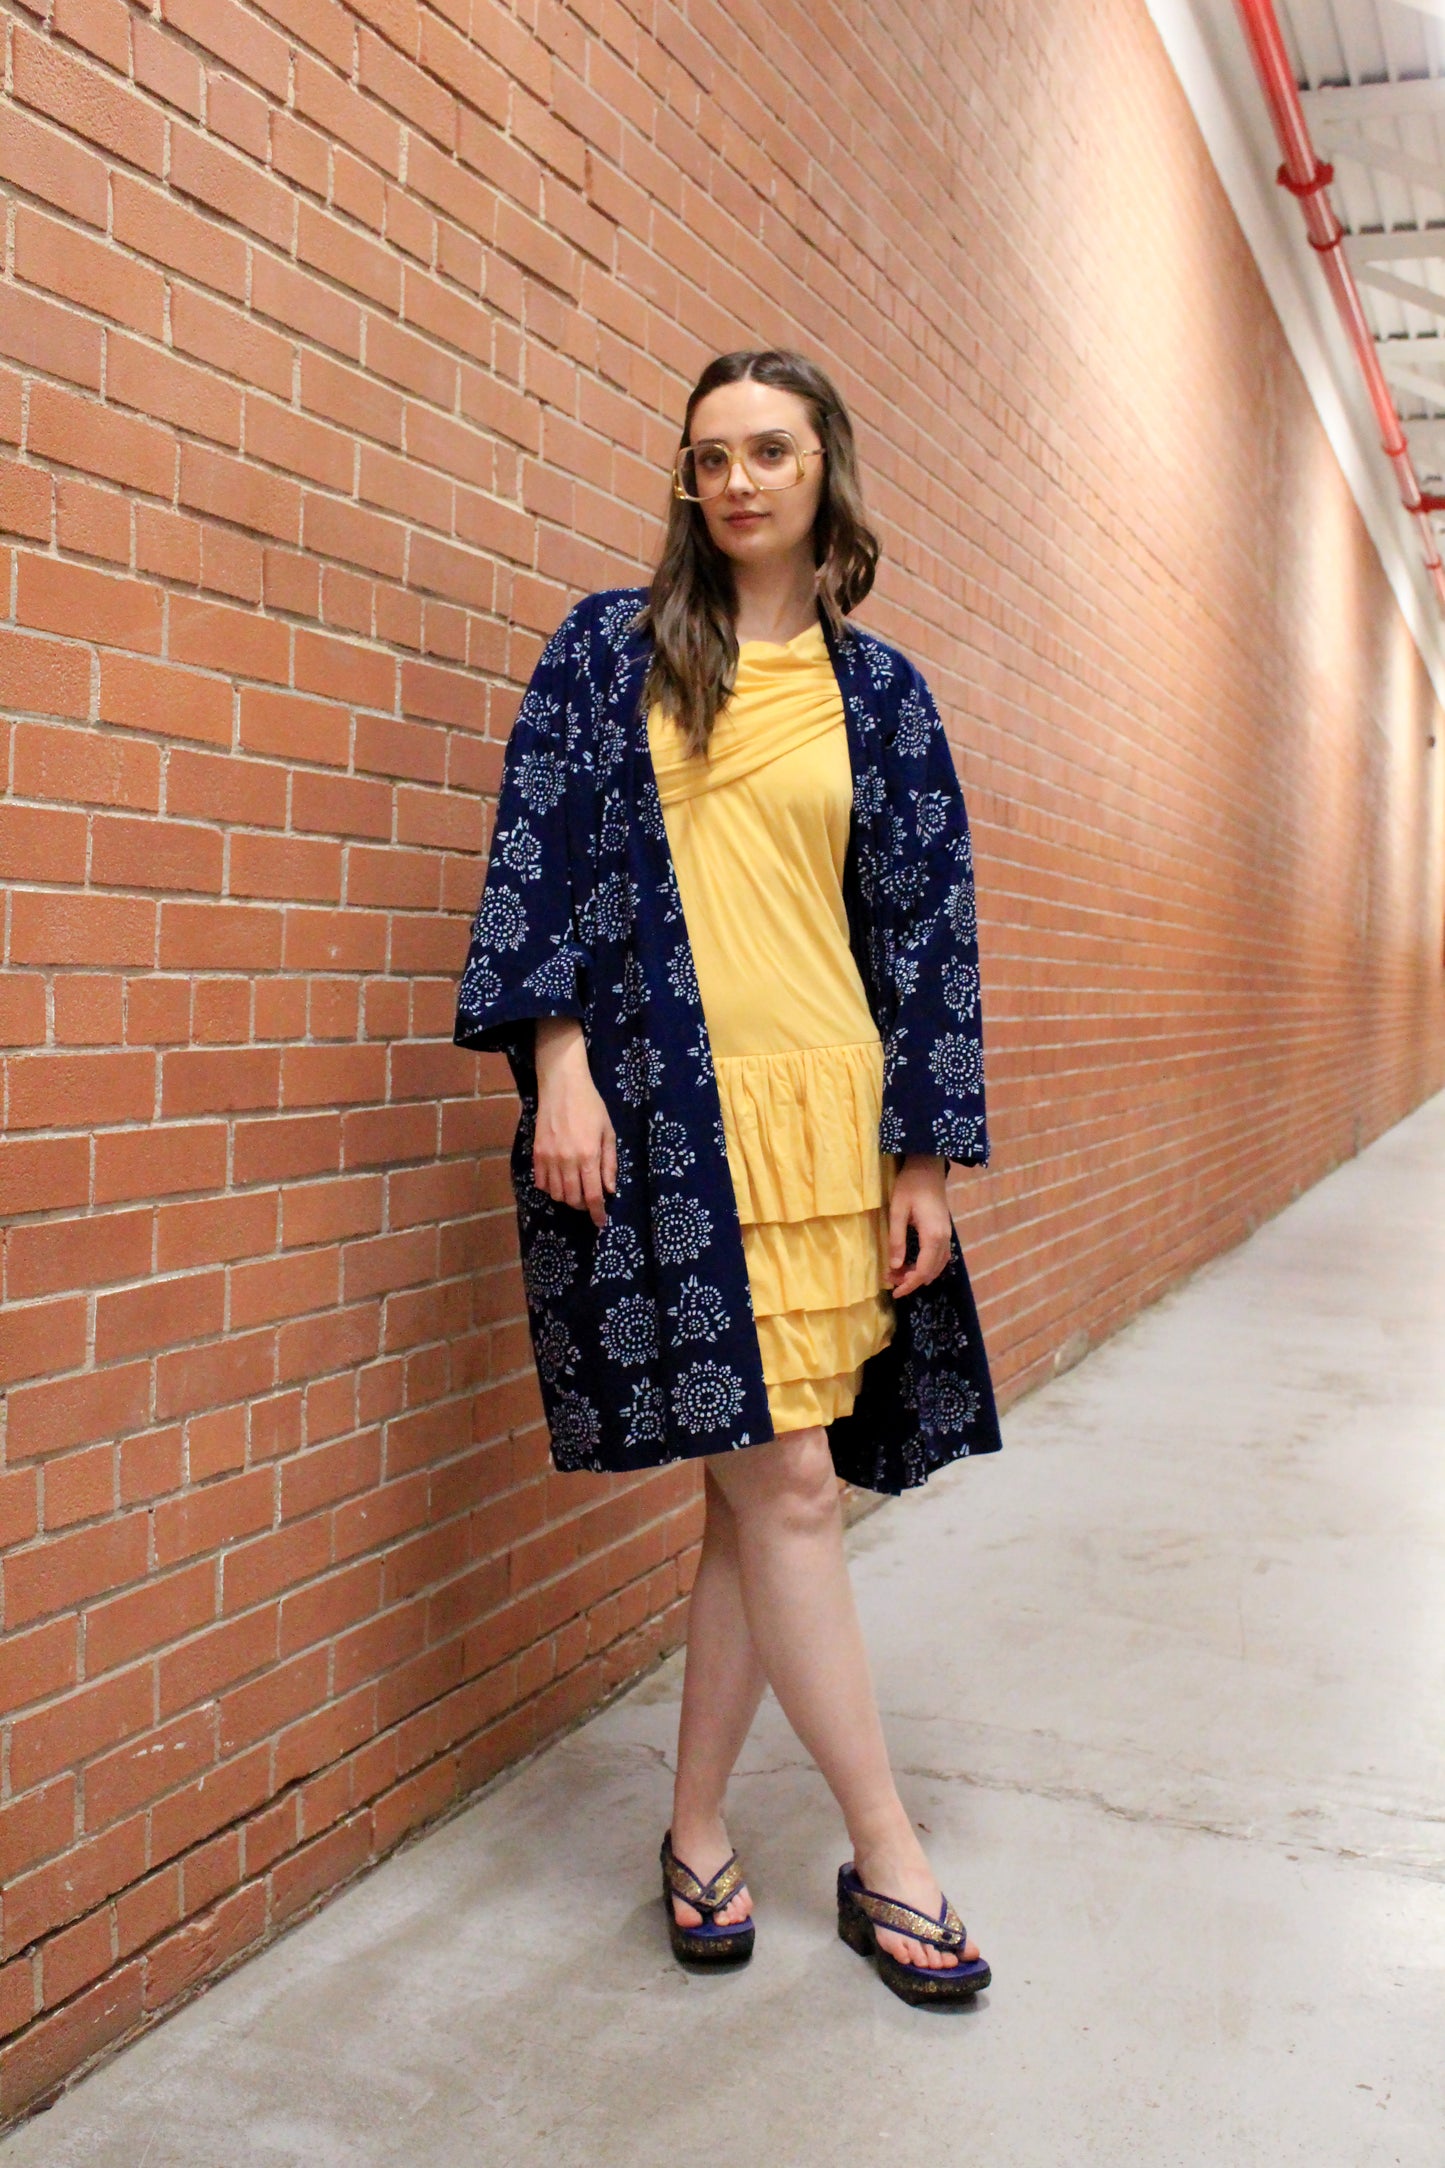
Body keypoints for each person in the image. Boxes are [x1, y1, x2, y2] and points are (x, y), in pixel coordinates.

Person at [454, 349, 1000, 2007]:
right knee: (791, 1488)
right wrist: (558, 1063)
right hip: (674, 1123)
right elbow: (537, 857)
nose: (738, 481)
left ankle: (694, 1829)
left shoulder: (881, 695)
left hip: (826, 1125)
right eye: (709, 457)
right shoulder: (606, 653)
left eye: (769, 450)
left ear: (826, 469)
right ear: (685, 483)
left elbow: (927, 934)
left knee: (754, 1501)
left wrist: (922, 1157)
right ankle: (886, 1853)